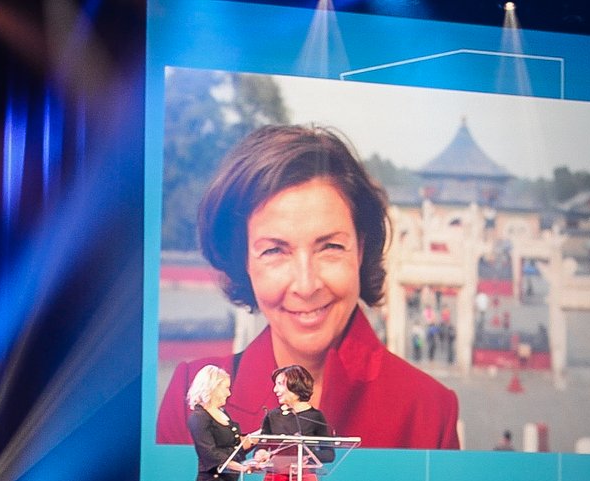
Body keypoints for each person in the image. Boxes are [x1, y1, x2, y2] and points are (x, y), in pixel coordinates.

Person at [157, 124, 460, 451]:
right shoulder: (193, 397)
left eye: (330, 246)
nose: (306, 284)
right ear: (244, 260)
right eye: (274, 250)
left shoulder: (429, 411)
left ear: (360, 249)